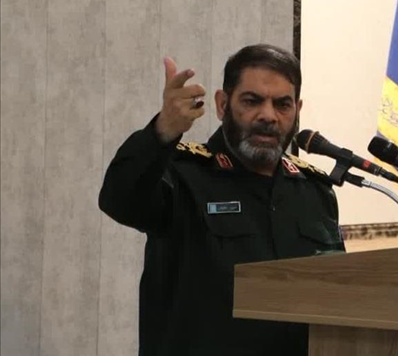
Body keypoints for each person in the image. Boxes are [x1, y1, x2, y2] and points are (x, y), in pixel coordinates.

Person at [99, 44, 345, 356]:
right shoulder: (183, 175)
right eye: (252, 101)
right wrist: (161, 132)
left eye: (282, 104)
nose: (268, 116)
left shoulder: (315, 191)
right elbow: (119, 200)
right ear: (222, 104)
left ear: (297, 110)